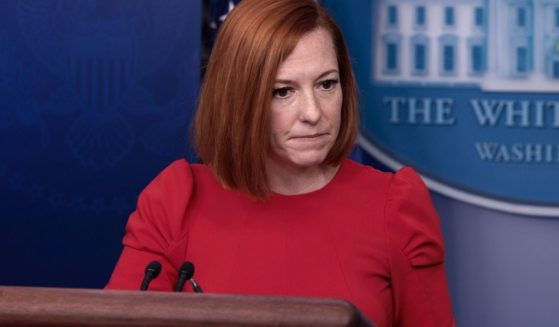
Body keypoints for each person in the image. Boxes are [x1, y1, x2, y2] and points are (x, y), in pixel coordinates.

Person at [106, 0, 456, 326]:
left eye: (326, 84)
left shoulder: (395, 206)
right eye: (283, 91)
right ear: (239, 100)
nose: (313, 113)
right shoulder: (177, 201)